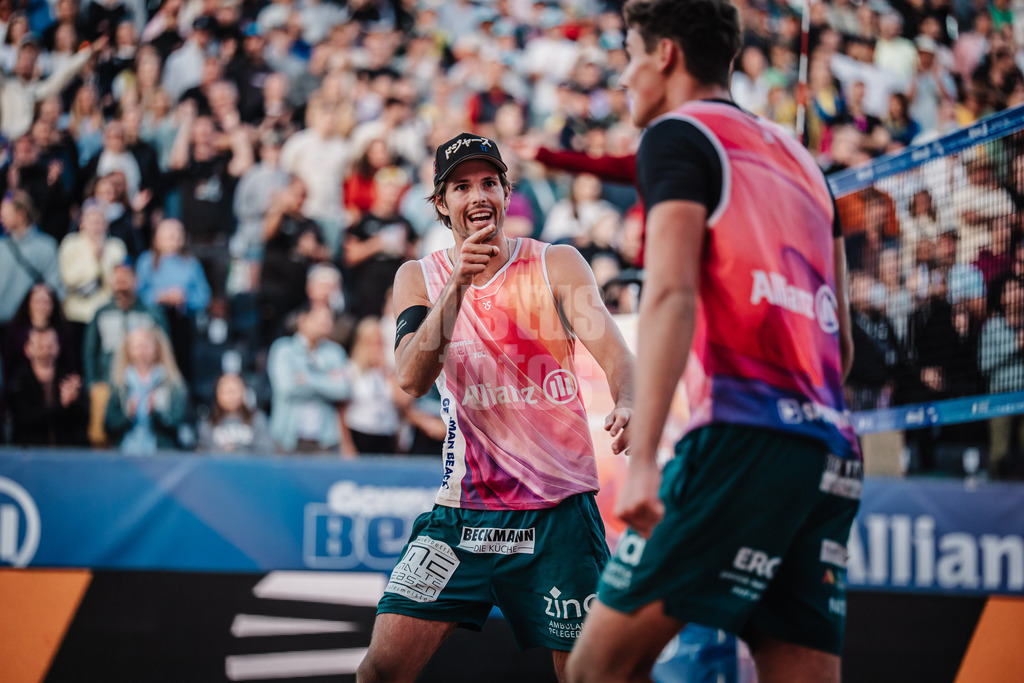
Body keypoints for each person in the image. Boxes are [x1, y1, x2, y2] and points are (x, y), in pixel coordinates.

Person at [567, 1, 859, 682]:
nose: (624, 77)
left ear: (664, 55)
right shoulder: (808, 165)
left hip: (738, 437)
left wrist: (643, 462)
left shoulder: (677, 135)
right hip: (830, 453)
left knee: (595, 669)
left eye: (630, 58)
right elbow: (841, 349)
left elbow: (668, 294)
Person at [357, 133, 635, 682]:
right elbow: (412, 378)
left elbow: (618, 357)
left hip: (558, 516)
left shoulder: (557, 264)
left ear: (507, 192)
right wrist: (459, 281)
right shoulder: (419, 277)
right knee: (380, 671)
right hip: (464, 517)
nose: (478, 195)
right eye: (461, 186)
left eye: (489, 182)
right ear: (441, 204)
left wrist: (628, 399)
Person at [267, 305, 351, 454]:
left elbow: (343, 390)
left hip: (324, 441)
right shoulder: (283, 349)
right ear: (302, 320)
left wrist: (308, 379)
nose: (326, 322)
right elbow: (287, 388)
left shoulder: (335, 352)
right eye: (319, 318)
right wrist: (326, 381)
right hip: (287, 439)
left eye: (329, 319)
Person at [105, 324, 188, 454]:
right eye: (137, 345)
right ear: (128, 349)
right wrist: (127, 416)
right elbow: (108, 425)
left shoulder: (172, 384)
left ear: (157, 348)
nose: (142, 349)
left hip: (161, 454)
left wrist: (157, 414)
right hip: (126, 453)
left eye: (147, 344)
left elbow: (179, 424)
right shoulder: (119, 384)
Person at [197, 373, 270, 453]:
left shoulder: (257, 419)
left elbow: (265, 452)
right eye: (225, 390)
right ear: (217, 393)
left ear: (243, 391)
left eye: (234, 390)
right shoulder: (207, 424)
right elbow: (202, 455)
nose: (230, 395)